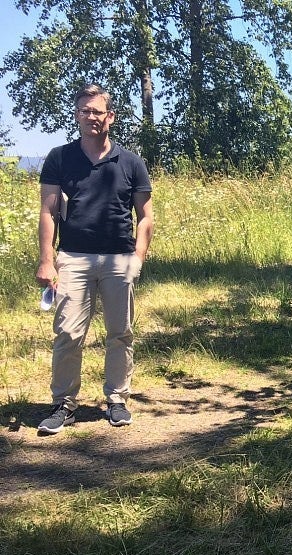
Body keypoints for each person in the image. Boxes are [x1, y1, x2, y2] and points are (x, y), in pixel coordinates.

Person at [35, 84, 154, 434]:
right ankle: (63, 404)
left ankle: (117, 400)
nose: (91, 117)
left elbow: (145, 216)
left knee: (121, 332)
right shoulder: (60, 157)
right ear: (77, 115)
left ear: (110, 117)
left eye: (97, 111)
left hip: (119, 259)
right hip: (72, 258)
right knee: (68, 332)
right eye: (84, 110)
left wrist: (139, 257)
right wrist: (46, 258)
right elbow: (48, 211)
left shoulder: (131, 162)